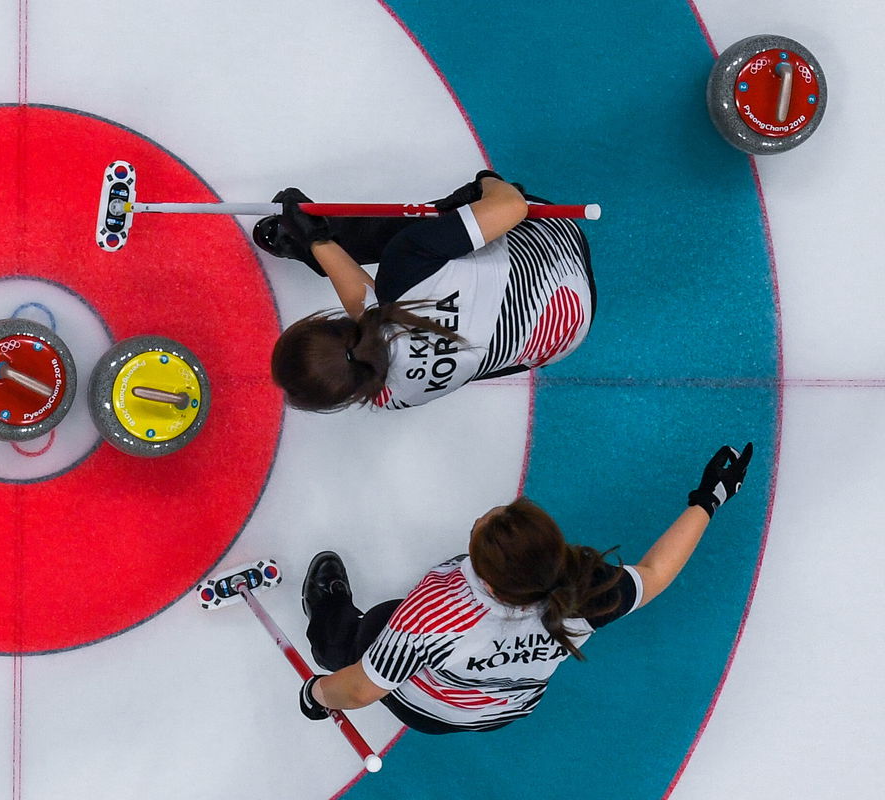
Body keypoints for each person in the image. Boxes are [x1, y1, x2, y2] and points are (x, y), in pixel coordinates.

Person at [296, 443, 753, 733]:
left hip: (430, 707)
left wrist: (315, 696)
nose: (480, 518)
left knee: (377, 624)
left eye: (482, 529)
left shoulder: (434, 613)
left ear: (488, 582)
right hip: (504, 708)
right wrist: (709, 499)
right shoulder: (584, 586)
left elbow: (358, 692)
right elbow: (655, 573)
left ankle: (329, 635)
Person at [257, 170, 595, 411]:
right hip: (552, 242)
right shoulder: (405, 269)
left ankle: (323, 240)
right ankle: (340, 234)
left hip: (565, 333)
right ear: (327, 322)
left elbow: (368, 311)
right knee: (414, 239)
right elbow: (514, 207)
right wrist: (484, 184)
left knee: (432, 280)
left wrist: (316, 242)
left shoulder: (387, 395)